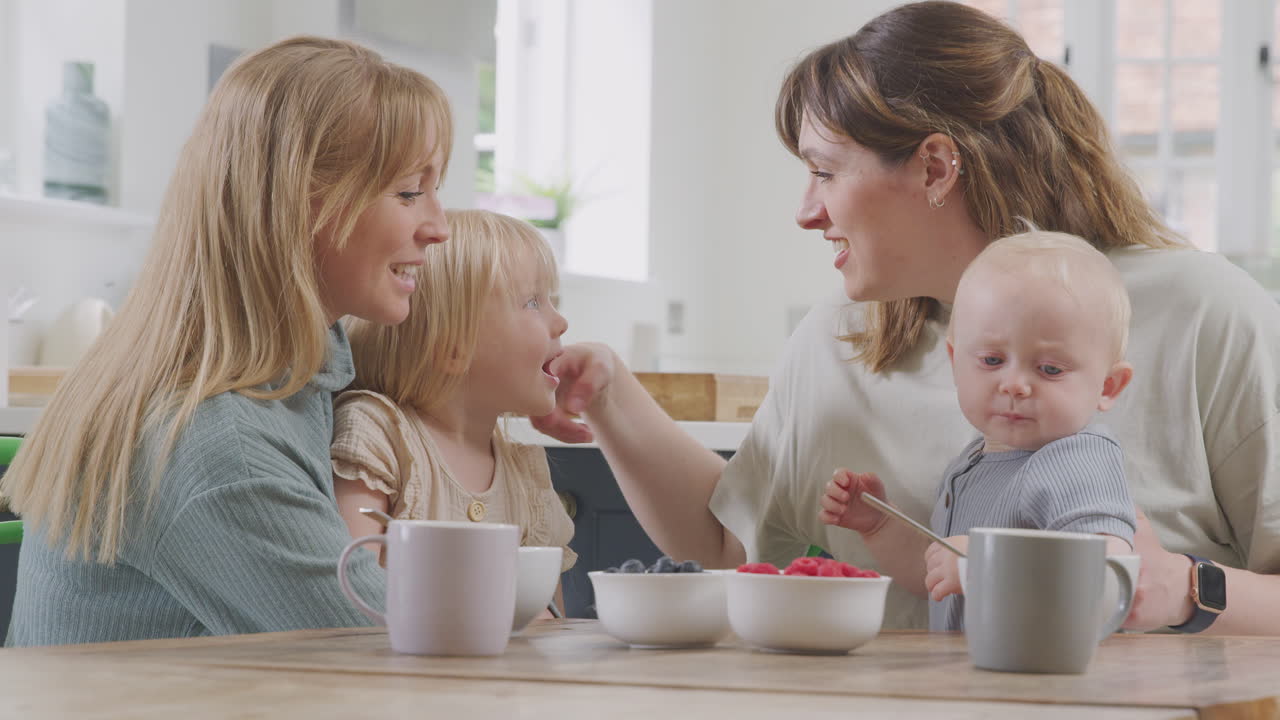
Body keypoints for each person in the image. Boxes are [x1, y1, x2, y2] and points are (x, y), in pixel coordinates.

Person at [532, 0, 1280, 635]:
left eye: (825, 171)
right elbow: (731, 538)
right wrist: (609, 398)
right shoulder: (840, 339)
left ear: (934, 167)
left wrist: (1188, 588)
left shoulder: (1208, 315)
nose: (805, 211)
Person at [1, 36, 452, 645]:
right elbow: (394, 655)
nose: (439, 227)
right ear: (301, 206)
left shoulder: (284, 382)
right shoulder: (219, 449)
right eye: (407, 192)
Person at [819, 231, 1137, 631]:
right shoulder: (972, 465)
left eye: (1050, 369)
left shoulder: (1076, 460)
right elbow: (937, 578)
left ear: (1108, 387)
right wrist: (881, 525)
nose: (1015, 384)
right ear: (955, 361)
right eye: (991, 360)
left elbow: (1106, 578)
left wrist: (983, 564)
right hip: (973, 684)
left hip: (1046, 687)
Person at [332, 210, 577, 603]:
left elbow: (547, 622)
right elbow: (351, 593)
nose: (560, 321)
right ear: (452, 347)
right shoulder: (379, 435)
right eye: (534, 301)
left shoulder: (526, 476)